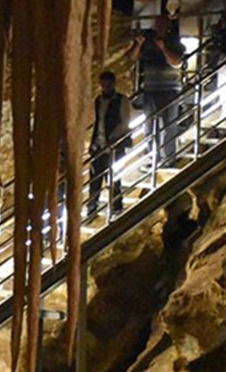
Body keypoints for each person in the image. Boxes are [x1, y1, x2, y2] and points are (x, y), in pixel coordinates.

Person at [130, 13, 186, 166]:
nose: (160, 28)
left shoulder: (175, 41)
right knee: (149, 126)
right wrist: (138, 44)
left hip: (170, 90)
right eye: (158, 25)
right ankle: (153, 157)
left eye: (163, 25)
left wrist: (164, 48)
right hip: (151, 89)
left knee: (169, 125)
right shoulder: (148, 41)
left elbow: (177, 62)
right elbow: (133, 57)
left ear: (168, 26)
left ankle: (168, 158)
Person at [88, 70, 133, 221]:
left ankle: (116, 207)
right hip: (100, 145)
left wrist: (114, 140)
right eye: (103, 85)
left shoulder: (122, 100)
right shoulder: (98, 101)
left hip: (115, 145)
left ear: (113, 84)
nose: (105, 88)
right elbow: (98, 122)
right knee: (95, 178)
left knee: (113, 177)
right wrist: (94, 143)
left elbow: (124, 122)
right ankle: (92, 210)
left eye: (107, 84)